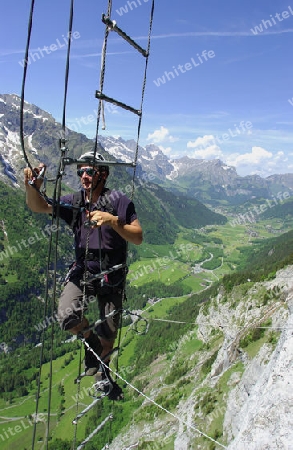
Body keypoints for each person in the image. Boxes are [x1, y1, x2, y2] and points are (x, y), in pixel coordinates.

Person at [24, 146, 143, 396]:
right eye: (80, 172)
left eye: (89, 171)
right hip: (84, 271)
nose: (83, 177)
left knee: (109, 330)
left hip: (112, 274)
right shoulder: (75, 201)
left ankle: (104, 369)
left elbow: (138, 236)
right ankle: (91, 342)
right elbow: (39, 207)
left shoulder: (119, 201)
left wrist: (112, 220)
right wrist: (31, 187)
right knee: (68, 316)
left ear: (103, 174)